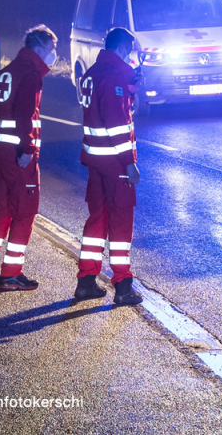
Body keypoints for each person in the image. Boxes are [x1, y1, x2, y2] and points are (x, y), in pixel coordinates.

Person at [0, 25, 58, 290]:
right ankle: (11, 273)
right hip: (20, 156)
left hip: (2, 151)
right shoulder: (31, 75)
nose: (53, 54)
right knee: (24, 212)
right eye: (52, 49)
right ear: (39, 47)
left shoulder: (6, 72)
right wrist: (27, 148)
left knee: (3, 211)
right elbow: (26, 116)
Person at [73, 27, 143, 305]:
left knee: (97, 219)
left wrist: (130, 87)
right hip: (115, 161)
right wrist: (130, 164)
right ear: (124, 47)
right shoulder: (114, 76)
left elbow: (103, 111)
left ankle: (86, 281)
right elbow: (117, 123)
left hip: (94, 160)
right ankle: (123, 287)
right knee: (121, 223)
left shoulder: (92, 73)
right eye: (130, 49)